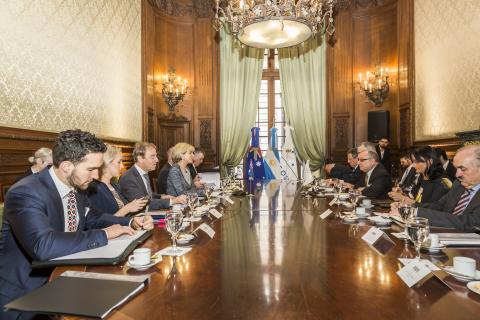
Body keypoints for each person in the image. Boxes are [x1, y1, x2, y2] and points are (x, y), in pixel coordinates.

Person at [0, 130, 153, 320]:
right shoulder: (26, 192)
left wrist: (129, 221)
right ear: (66, 166)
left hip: (68, 279)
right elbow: (44, 245)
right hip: (26, 297)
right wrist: (104, 235)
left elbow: (91, 217)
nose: (96, 175)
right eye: (91, 169)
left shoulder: (76, 186)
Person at [391, 145, 480, 232]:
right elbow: (439, 206)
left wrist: (415, 213)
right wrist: (409, 208)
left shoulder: (445, 181)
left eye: (463, 169)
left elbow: (471, 223)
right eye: (456, 169)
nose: (457, 175)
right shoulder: (458, 184)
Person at [119, 142, 186, 210]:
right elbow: (143, 203)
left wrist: (161, 196)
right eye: (152, 157)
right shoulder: (128, 178)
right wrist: (173, 201)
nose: (157, 160)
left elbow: (146, 194)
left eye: (156, 156)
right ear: (140, 159)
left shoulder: (143, 173)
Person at [88, 144, 148, 216]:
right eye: (119, 162)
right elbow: (101, 223)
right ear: (107, 163)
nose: (122, 166)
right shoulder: (95, 189)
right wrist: (127, 209)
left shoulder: (113, 185)